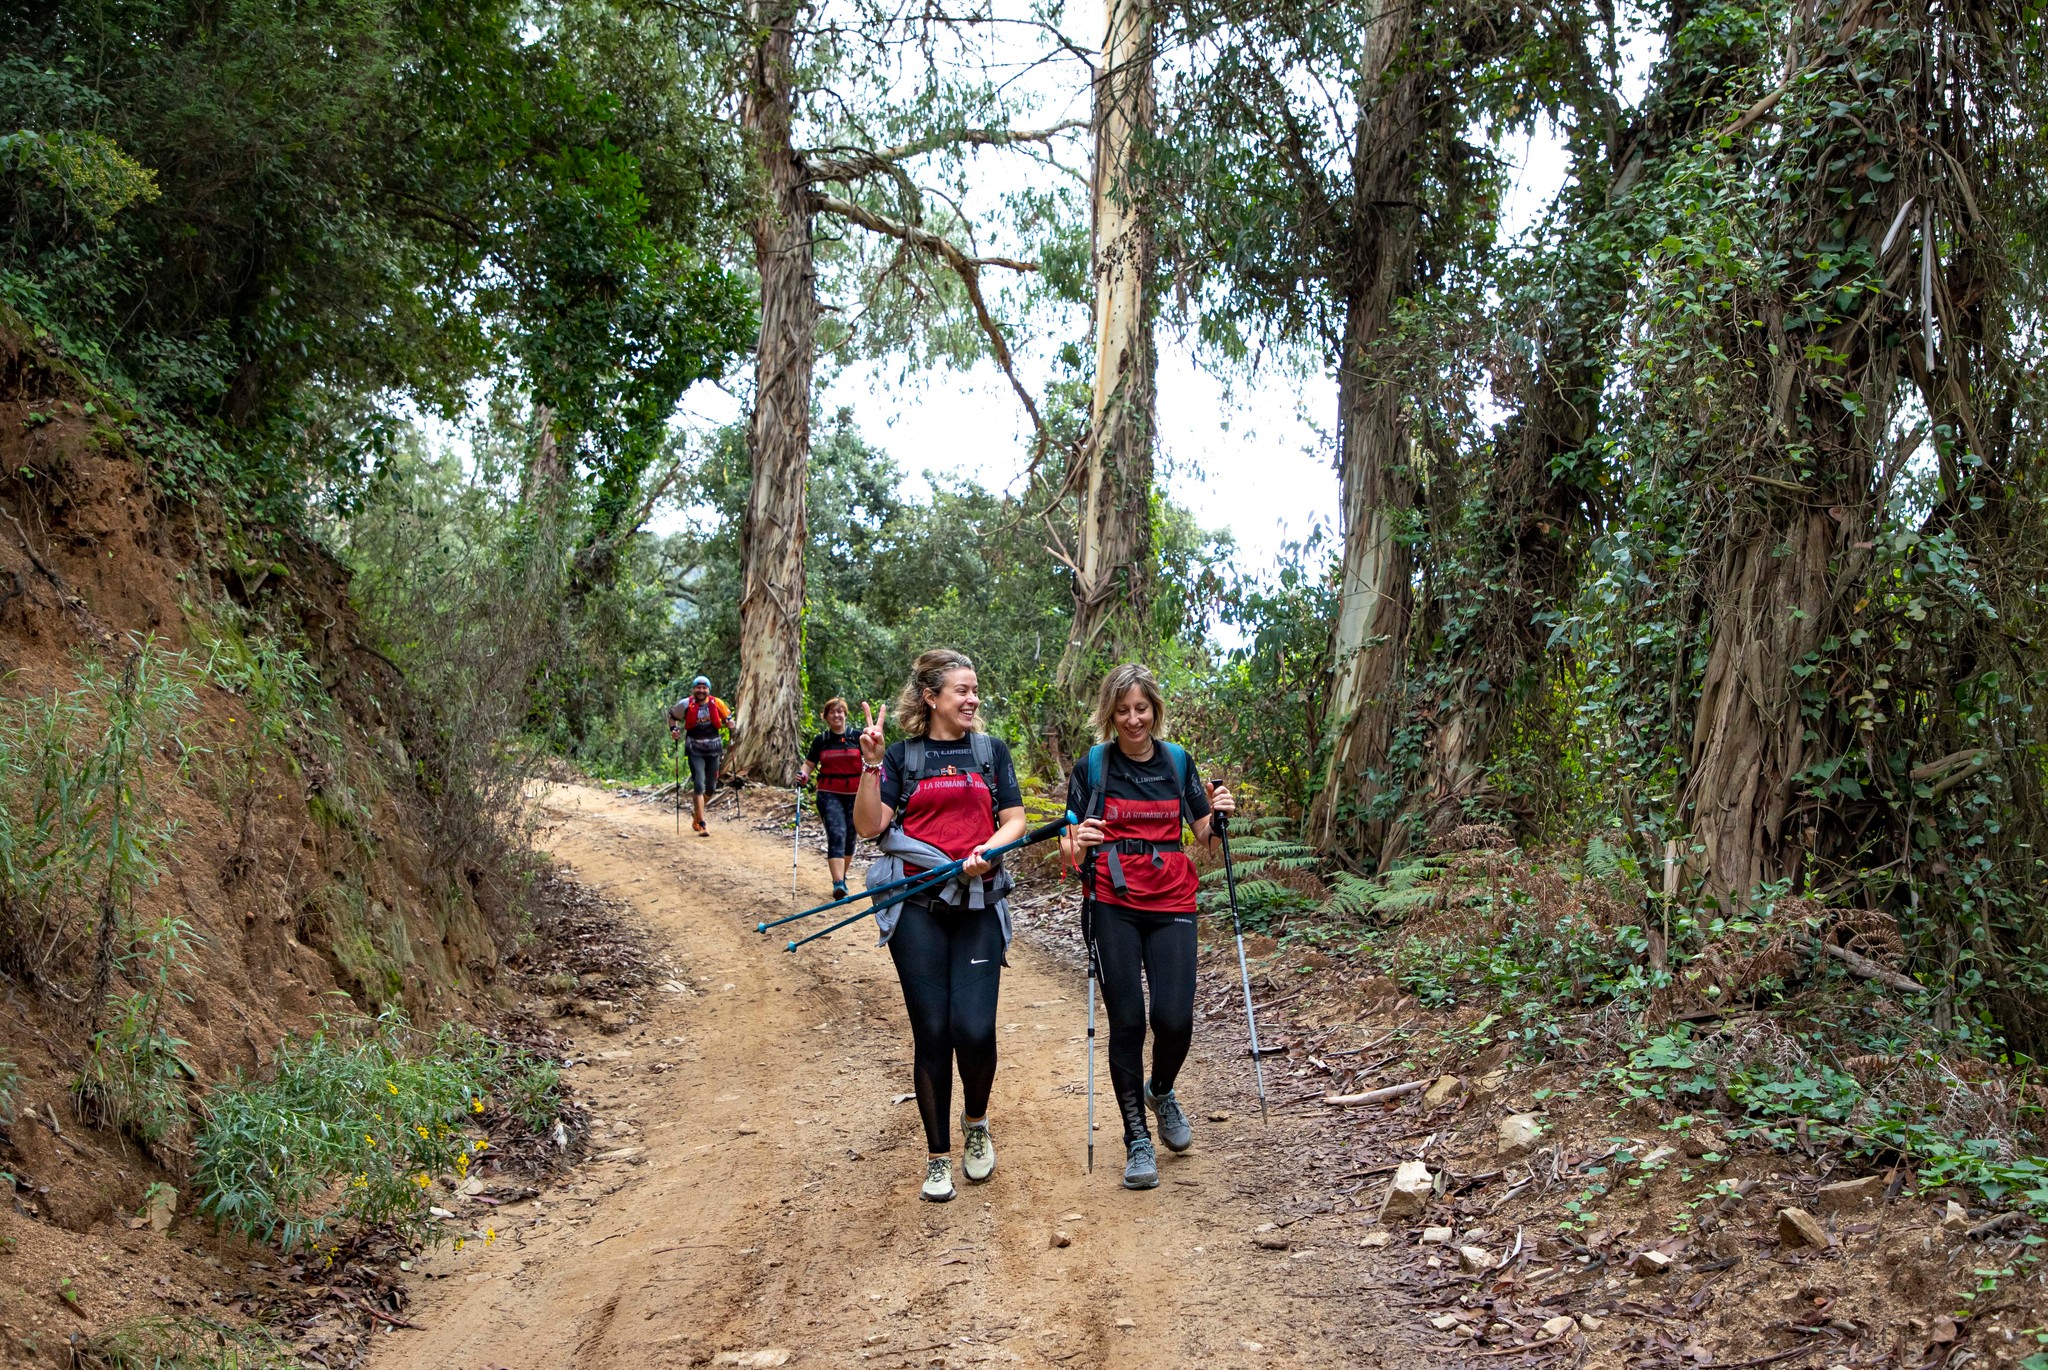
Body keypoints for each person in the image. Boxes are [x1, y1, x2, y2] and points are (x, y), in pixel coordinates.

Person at [853, 649, 1026, 1204]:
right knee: (932, 1033)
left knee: (973, 1030)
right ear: (931, 697)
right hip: (917, 910)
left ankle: (976, 1123)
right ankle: (936, 1157)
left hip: (978, 902)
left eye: (975, 690)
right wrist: (872, 765)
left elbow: (1014, 820)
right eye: (961, 690)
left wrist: (988, 851)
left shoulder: (989, 752)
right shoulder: (903, 757)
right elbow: (869, 827)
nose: (972, 699)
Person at [1060, 662, 1235, 1191]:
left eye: (1141, 708)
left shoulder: (1178, 762)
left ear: (1154, 709)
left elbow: (1205, 833)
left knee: (1174, 1019)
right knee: (1130, 1022)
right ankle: (1137, 1138)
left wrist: (1222, 814)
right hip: (1112, 898)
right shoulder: (1093, 765)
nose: (1133, 719)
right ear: (1109, 714)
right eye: (1122, 710)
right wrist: (1079, 843)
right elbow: (1068, 845)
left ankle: (1161, 1090)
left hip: (1172, 897)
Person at [798, 697, 864, 899]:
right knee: (837, 834)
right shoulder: (821, 741)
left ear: (845, 714)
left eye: (840, 711)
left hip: (856, 794)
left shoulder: (858, 737)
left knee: (850, 838)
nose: (837, 715)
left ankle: (841, 878)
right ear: (826, 717)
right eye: (832, 712)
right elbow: (809, 764)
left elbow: (873, 760)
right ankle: (838, 883)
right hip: (829, 793)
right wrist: (803, 776)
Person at [667, 676, 734, 836]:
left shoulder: (717, 704)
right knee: (698, 783)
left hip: (714, 749)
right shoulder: (685, 704)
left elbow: (728, 719)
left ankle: (696, 813)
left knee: (711, 787)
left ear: (708, 690)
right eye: (698, 687)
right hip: (694, 748)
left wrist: (731, 724)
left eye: (704, 688)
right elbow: (672, 717)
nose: (701, 691)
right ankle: (702, 823)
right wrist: (673, 731)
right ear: (693, 689)